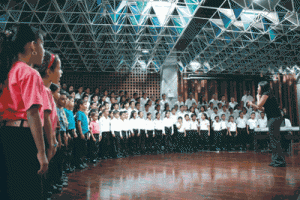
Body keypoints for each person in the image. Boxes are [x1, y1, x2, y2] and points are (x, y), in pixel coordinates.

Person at [0, 24, 48, 200]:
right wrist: (42, 153)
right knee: (29, 191)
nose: (43, 50)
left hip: (5, 134)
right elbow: (33, 114)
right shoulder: (29, 73)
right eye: (43, 44)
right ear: (32, 45)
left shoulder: (7, 72)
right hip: (23, 137)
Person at [248, 81, 285, 167]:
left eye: (258, 87)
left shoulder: (266, 93)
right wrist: (256, 103)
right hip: (273, 118)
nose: (257, 89)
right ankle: (276, 160)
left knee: (275, 140)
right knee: (273, 140)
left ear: (262, 87)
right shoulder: (268, 94)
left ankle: (280, 161)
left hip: (274, 118)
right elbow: (262, 109)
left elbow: (259, 105)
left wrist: (256, 98)